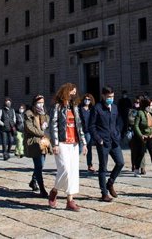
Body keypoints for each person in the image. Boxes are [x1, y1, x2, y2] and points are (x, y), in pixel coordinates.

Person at [47, 83, 87, 211]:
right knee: (64, 169)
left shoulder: (74, 107)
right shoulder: (57, 107)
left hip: (74, 143)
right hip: (62, 143)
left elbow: (79, 125)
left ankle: (70, 201)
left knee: (73, 171)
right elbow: (53, 125)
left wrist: (84, 143)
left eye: (75, 94)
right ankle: (54, 191)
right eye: (71, 93)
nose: (73, 96)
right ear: (65, 92)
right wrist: (55, 143)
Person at [89, 86, 125, 202]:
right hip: (103, 142)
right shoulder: (97, 108)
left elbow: (117, 123)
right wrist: (98, 139)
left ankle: (110, 183)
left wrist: (118, 134)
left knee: (120, 162)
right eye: (109, 97)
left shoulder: (114, 108)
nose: (111, 99)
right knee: (103, 168)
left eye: (112, 97)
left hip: (114, 141)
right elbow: (91, 126)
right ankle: (104, 193)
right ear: (103, 96)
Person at [24, 95, 50, 197]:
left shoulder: (43, 113)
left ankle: (33, 181)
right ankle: (42, 189)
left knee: (41, 165)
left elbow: (47, 121)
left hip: (43, 142)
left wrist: (44, 117)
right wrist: (41, 132)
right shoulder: (28, 114)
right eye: (39, 103)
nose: (41, 104)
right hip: (34, 143)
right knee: (39, 165)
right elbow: (30, 128)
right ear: (34, 103)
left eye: (42, 102)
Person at [127, 96, 145, 175]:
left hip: (141, 133)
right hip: (133, 133)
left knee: (142, 151)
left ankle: (142, 167)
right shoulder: (132, 111)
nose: (136, 104)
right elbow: (130, 120)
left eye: (138, 102)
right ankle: (133, 165)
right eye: (135, 102)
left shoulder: (143, 111)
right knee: (134, 150)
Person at [79, 93, 96, 173]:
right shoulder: (80, 109)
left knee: (89, 148)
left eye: (89, 99)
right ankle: (73, 163)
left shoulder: (92, 109)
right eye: (86, 99)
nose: (87, 100)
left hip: (90, 131)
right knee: (79, 148)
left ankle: (90, 165)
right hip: (82, 131)